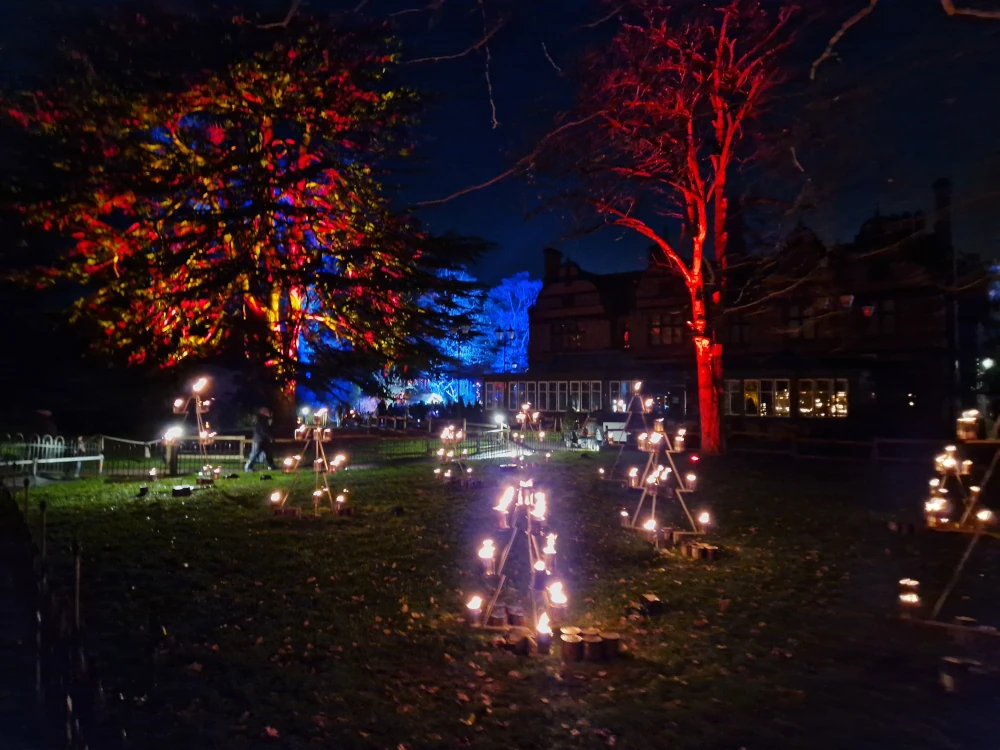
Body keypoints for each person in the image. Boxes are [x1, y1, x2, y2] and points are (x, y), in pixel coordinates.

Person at [245, 408, 276, 472]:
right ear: (264, 413)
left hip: (263, 439)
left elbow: (266, 430)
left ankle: (272, 466)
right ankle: (248, 467)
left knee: (268, 453)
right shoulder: (262, 419)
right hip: (259, 440)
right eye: (267, 412)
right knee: (255, 454)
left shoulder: (264, 420)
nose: (269, 413)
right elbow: (263, 430)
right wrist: (270, 437)